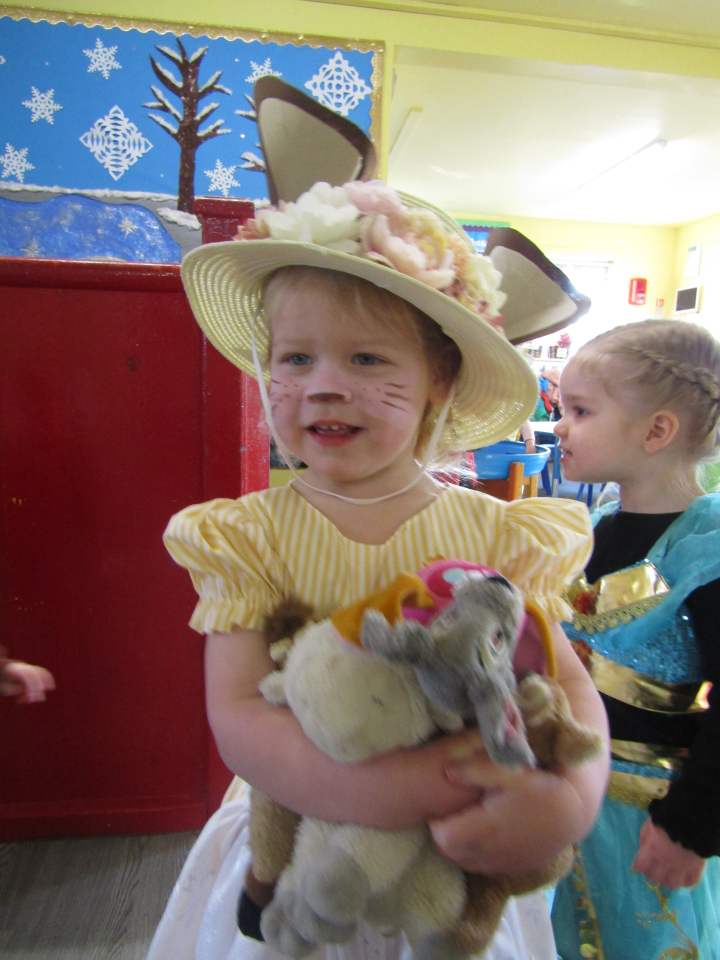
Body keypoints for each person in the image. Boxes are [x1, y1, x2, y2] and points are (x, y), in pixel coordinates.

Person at [147, 180, 609, 960]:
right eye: (296, 358)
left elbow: (565, 684)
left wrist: (571, 799)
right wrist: (384, 793)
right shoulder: (247, 536)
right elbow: (239, 711)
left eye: (366, 357)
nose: (325, 384)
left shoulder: (503, 534)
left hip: (454, 861)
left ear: (440, 381)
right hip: (302, 854)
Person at [550, 319, 720, 960]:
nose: (559, 426)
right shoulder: (591, 529)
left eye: (581, 411)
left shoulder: (707, 551)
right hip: (567, 800)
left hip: (649, 823)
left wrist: (691, 825)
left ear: (656, 431)